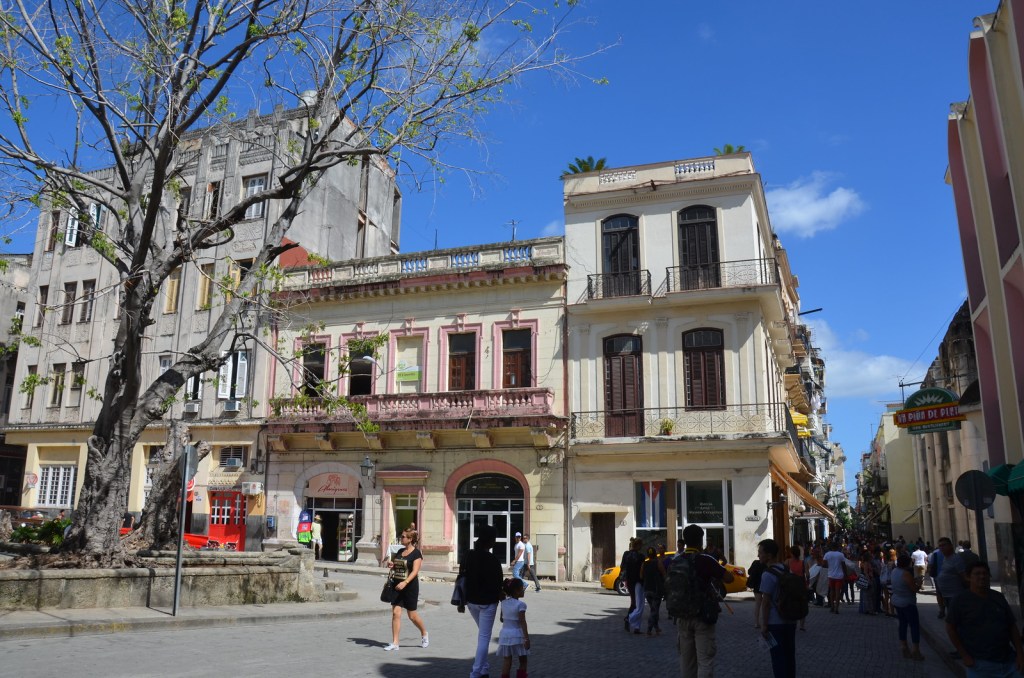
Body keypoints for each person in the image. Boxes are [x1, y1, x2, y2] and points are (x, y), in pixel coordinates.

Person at [671, 523, 734, 677]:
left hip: (682, 615)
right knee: (705, 660)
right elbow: (729, 578)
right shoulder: (705, 560)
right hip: (703, 616)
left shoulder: (675, 561)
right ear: (701, 541)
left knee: (686, 661)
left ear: (685, 541)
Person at [946, 562, 1024, 678]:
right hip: (980, 664)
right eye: (977, 574)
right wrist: (964, 655)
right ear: (968, 577)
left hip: (1008, 662)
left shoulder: (998, 597)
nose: (982, 576)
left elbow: (1011, 626)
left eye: (985, 573)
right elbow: (950, 628)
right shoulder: (960, 601)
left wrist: (1020, 654)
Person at [461, 524, 504, 678]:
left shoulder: (468, 555)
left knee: (483, 634)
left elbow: (462, 577)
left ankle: (484, 669)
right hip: (488, 603)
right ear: (490, 540)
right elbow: (499, 585)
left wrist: (461, 602)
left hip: (471, 602)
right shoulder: (493, 560)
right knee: (484, 637)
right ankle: (476, 672)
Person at [383, 529, 429, 651]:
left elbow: (415, 571)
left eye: (403, 536)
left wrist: (405, 582)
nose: (401, 538)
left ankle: (424, 632)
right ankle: (395, 643)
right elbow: (397, 566)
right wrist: (392, 565)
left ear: (410, 539)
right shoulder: (400, 551)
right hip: (397, 585)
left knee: (412, 616)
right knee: (395, 613)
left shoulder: (416, 554)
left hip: (410, 587)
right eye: (401, 536)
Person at [759, 539, 797, 678]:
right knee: (789, 656)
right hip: (790, 620)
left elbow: (765, 603)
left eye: (760, 552)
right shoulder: (786, 568)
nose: (758, 555)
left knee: (777, 658)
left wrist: (764, 625)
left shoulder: (767, 574)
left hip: (774, 623)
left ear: (769, 555)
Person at [891, 553, 924, 661]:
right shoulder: (906, 574)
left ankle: (904, 646)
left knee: (902, 624)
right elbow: (914, 589)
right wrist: (919, 583)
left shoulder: (894, 571)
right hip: (907, 602)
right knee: (914, 626)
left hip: (897, 600)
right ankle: (916, 650)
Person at [937, 536, 979, 618]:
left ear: (950, 546)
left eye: (944, 545)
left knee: (956, 619)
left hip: (955, 596)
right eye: (940, 546)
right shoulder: (945, 559)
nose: (942, 548)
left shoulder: (956, 559)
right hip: (947, 596)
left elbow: (964, 576)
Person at [498, 577, 530, 678]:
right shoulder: (521, 605)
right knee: (523, 660)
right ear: (516, 591)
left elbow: (502, 619)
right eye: (522, 588)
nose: (524, 589)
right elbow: (522, 622)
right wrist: (526, 638)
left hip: (505, 635)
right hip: (518, 635)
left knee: (507, 660)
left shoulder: (503, 602)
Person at [641, 543, 667, 636]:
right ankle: (649, 628)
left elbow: (641, 576)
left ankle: (656, 628)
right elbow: (664, 574)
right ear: (655, 554)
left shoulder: (644, 564)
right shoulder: (658, 562)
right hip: (656, 589)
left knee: (653, 608)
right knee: (654, 610)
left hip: (647, 589)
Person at [620, 538, 644, 631]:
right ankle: (629, 619)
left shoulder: (626, 554)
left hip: (629, 581)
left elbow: (622, 567)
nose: (641, 546)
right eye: (641, 545)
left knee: (634, 602)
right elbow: (642, 570)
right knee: (638, 604)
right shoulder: (641, 556)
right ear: (638, 545)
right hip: (638, 581)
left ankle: (636, 626)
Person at [785, 545, 808, 631]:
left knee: (791, 604)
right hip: (801, 585)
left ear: (791, 553)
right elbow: (808, 575)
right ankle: (802, 625)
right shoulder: (803, 563)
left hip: (790, 586)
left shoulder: (787, 562)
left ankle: (792, 622)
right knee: (802, 605)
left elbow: (783, 573)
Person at [822, 542, 847, 614]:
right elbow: (844, 565)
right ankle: (837, 608)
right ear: (837, 547)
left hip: (831, 575)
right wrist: (845, 574)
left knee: (831, 591)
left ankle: (832, 606)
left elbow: (824, 565)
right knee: (837, 591)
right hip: (839, 576)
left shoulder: (827, 554)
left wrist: (830, 566)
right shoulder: (841, 555)